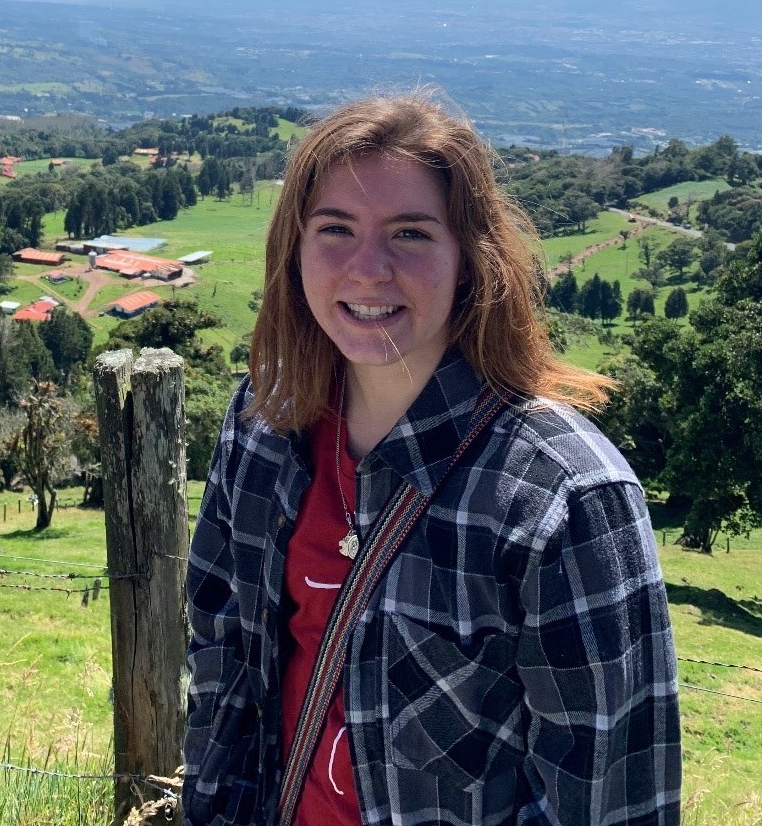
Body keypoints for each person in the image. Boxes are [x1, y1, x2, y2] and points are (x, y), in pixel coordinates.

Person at [184, 95, 680, 826]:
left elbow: (608, 802)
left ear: (469, 259)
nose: (368, 269)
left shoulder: (564, 499)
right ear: (293, 249)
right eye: (334, 229)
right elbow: (222, 668)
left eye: (409, 233)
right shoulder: (262, 421)